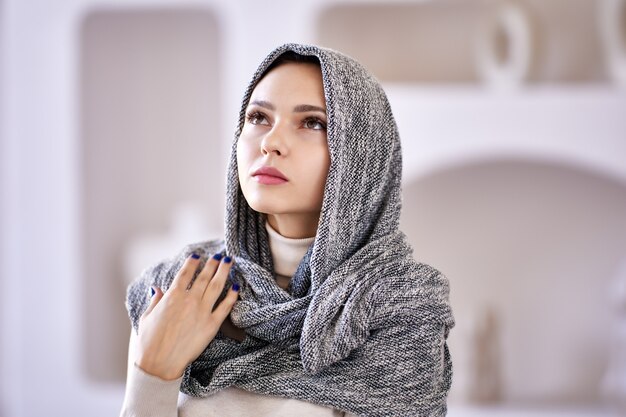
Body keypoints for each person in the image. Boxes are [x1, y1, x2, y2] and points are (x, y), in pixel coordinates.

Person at [120, 43, 454, 417]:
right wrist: (153, 376)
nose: (271, 142)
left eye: (312, 123)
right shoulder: (180, 288)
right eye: (258, 117)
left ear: (362, 154)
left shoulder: (397, 308)